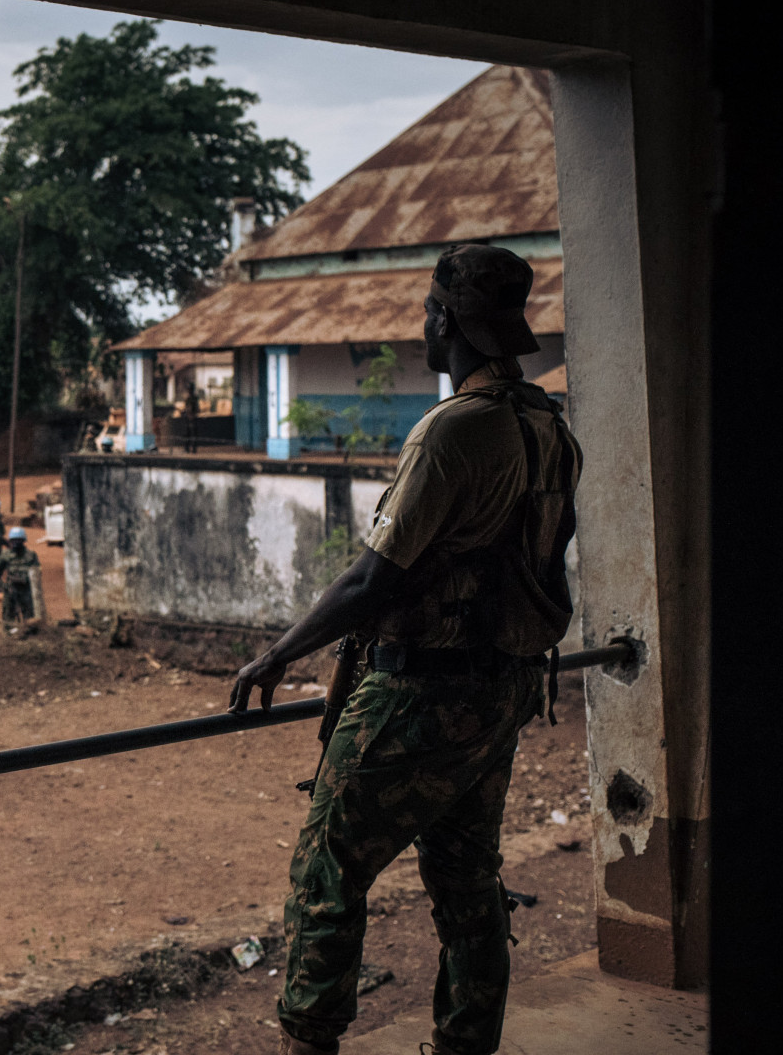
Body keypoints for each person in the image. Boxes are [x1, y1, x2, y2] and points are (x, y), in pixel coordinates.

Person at [226, 245, 582, 1055]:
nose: (423, 320)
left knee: (327, 870)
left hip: (425, 692)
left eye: (429, 307)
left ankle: (308, 1040)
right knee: (467, 882)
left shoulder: (452, 433)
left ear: (446, 320)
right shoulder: (547, 429)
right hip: (502, 691)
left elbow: (373, 579)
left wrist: (278, 654)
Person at [0, 527, 40, 628]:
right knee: (8, 618)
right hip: (11, 590)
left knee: (30, 619)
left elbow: (37, 573)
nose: (16, 543)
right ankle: (10, 636)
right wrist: (3, 586)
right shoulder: (5, 555)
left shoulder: (31, 555)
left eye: (19, 540)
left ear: (23, 541)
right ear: (10, 541)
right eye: (14, 540)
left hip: (26, 591)